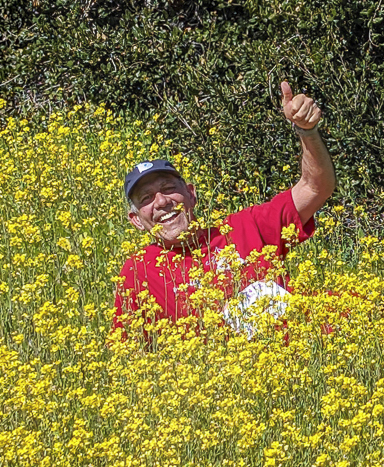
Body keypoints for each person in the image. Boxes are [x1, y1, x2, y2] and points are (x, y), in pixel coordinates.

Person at [113, 82, 335, 337]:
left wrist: (307, 131)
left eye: (168, 188)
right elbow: (130, 353)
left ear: (191, 194)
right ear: (136, 220)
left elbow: (316, 188)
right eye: (147, 198)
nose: (162, 202)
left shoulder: (244, 227)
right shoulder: (138, 272)